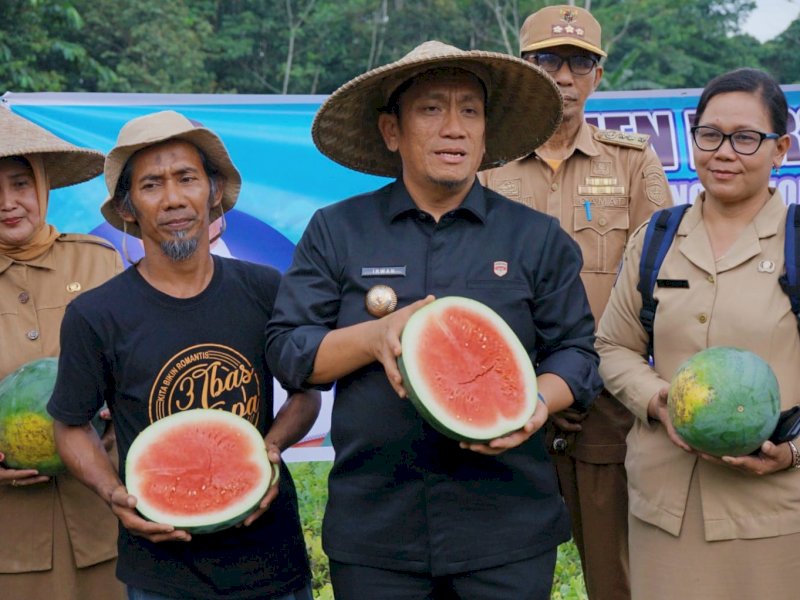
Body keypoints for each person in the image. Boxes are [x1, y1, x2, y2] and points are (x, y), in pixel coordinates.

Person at [265, 41, 602, 600]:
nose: (455, 128)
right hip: (376, 536)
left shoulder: (535, 238)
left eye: (470, 110)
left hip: (508, 531)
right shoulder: (336, 231)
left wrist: (535, 403)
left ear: (486, 132)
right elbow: (289, 349)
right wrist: (372, 338)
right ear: (391, 130)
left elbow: (578, 354)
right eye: (431, 109)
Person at [46, 110, 320, 600]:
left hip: (271, 563)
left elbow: (305, 393)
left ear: (212, 192)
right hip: (162, 576)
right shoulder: (95, 314)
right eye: (152, 185)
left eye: (186, 178)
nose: (173, 199)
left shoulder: (264, 288)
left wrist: (270, 450)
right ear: (129, 207)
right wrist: (115, 495)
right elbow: (70, 423)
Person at [479, 6, 672, 598]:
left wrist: (590, 378)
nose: (563, 76)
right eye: (547, 61)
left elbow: (660, 282)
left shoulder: (633, 161)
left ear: (598, 75)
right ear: (523, 68)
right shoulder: (485, 166)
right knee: (499, 571)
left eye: (579, 62)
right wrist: (540, 382)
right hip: (504, 401)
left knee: (615, 573)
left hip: (608, 405)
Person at [596, 68, 799, 599]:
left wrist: (794, 452)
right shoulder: (657, 238)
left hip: (774, 513)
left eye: (746, 137)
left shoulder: (797, 243)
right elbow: (612, 346)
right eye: (710, 135)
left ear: (780, 148)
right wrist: (656, 400)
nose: (724, 152)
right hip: (665, 510)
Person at [0, 108, 125, 600]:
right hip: (10, 544)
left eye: (19, 184)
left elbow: (136, 364)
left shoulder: (98, 262)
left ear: (42, 186)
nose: (8, 203)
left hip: (106, 525)